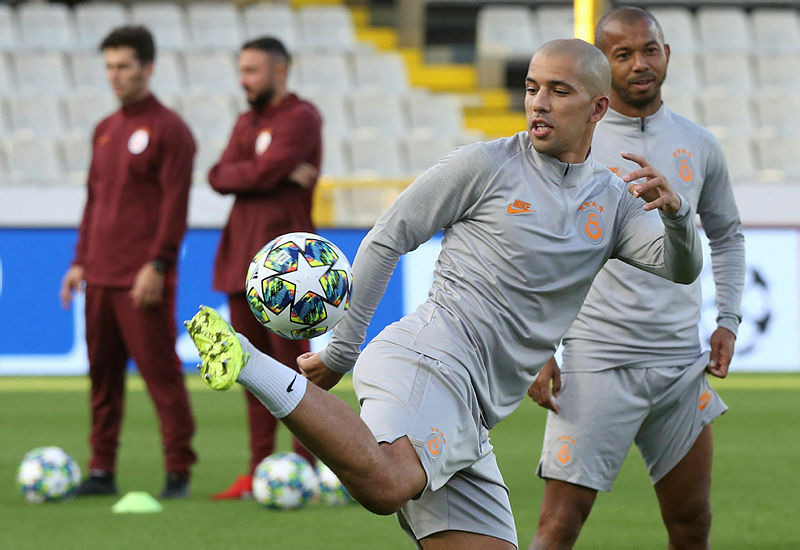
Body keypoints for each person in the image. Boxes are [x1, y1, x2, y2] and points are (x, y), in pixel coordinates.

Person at [186, 38, 703, 548]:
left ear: (598, 108)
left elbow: (678, 268)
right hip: (429, 362)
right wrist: (341, 352)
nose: (539, 103)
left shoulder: (613, 199)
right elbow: (387, 237)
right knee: (387, 483)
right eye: (531, 88)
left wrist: (677, 217)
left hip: (473, 414)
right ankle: (249, 361)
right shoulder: (486, 165)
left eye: (558, 91)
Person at [528, 8, 745, 549]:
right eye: (622, 54)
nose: (639, 64)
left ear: (666, 54)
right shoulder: (572, 142)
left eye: (649, 49)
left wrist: (728, 320)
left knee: (692, 523)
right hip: (597, 361)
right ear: (603, 67)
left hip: (680, 363)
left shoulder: (699, 143)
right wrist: (537, 345)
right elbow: (534, 249)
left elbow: (727, 236)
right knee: (558, 525)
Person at [59, 25, 197, 499]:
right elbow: (94, 201)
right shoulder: (104, 130)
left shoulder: (170, 130)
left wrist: (158, 265)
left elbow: (175, 206)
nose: (114, 75)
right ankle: (101, 470)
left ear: (147, 68)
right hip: (98, 276)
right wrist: (79, 261)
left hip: (142, 277)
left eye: (123, 66)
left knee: (161, 377)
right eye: (109, 67)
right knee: (102, 380)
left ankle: (178, 471)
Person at [206, 36, 322, 500]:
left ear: (279, 72)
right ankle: (258, 470)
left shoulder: (301, 117)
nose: (244, 80)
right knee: (248, 368)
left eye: (251, 71)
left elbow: (252, 172)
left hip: (289, 268)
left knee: (295, 369)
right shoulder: (245, 121)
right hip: (241, 259)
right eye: (241, 70)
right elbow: (218, 175)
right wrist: (269, 170)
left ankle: (306, 465)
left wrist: (259, 170)